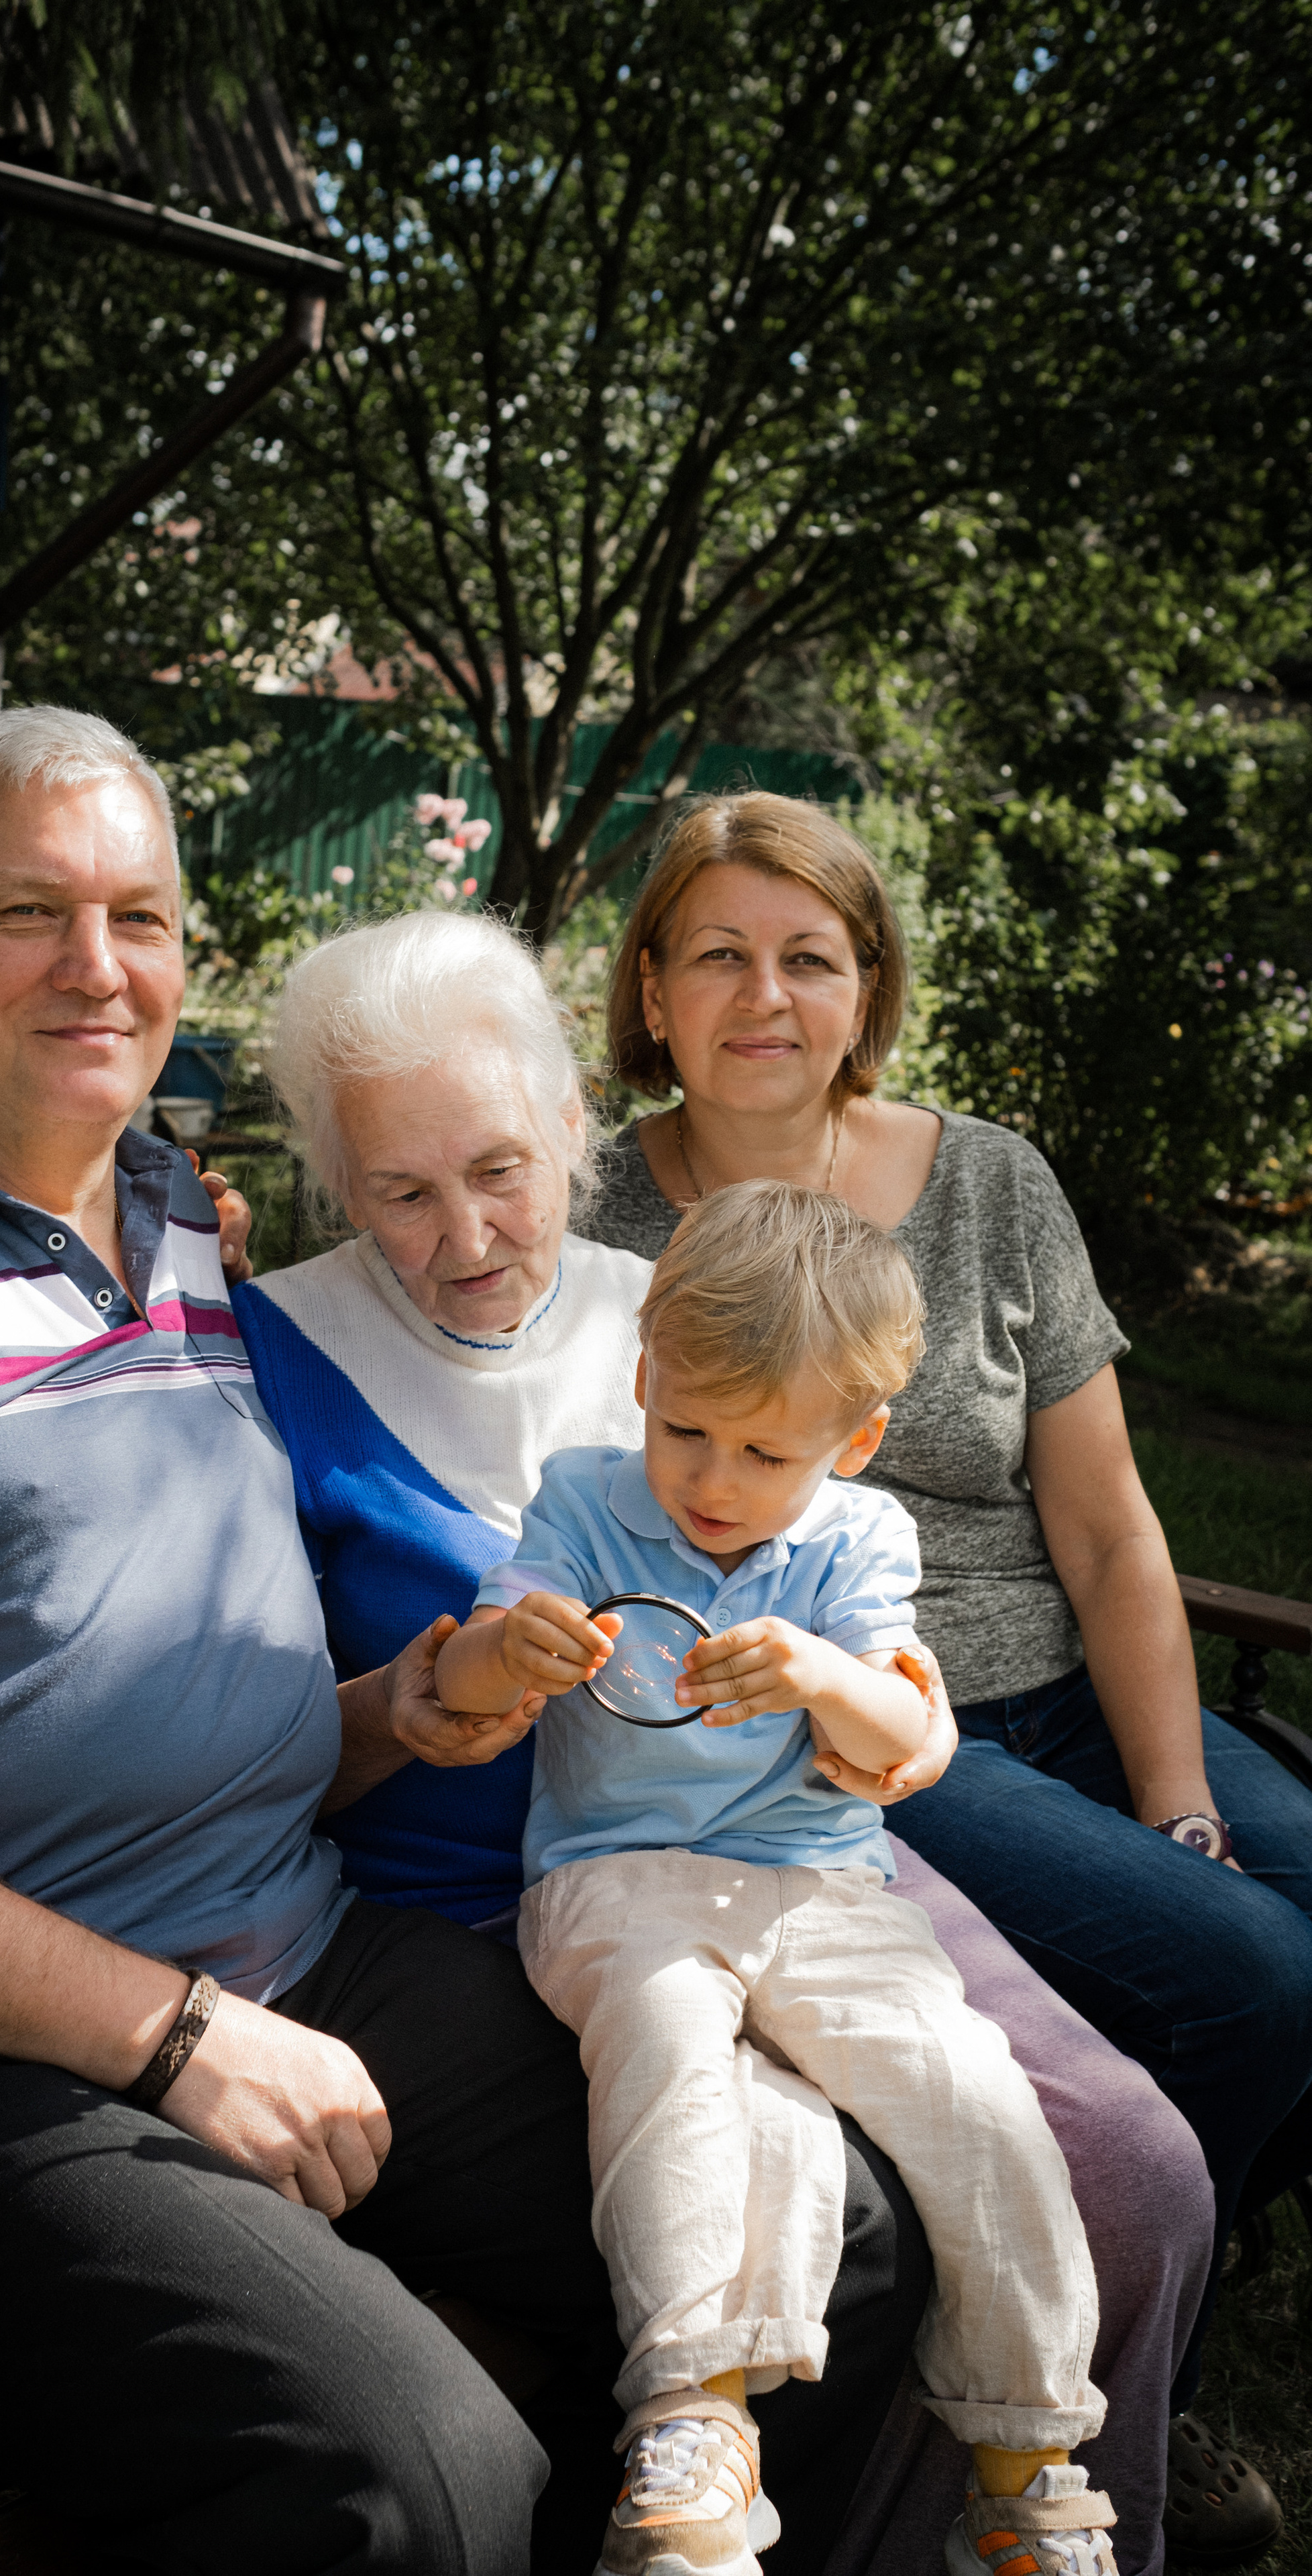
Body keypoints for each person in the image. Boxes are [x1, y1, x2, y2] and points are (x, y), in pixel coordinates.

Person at [0, 704, 657, 2576]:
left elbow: (116, 1680)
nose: (101, 967)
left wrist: (391, 1710)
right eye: (31, 913)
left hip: (283, 1953)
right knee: (416, 2477)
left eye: (144, 917)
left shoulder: (172, 1224)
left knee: (806, 2233)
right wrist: (171, 2039)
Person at [233, 907, 1215, 2576]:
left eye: (500, 1166)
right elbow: (261, 1734)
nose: (466, 1232)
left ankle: (1043, 2505)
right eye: (399, 1191)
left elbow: (888, 1689)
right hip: (543, 1895)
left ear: (571, 1131)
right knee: (813, 2193)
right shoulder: (266, 1352)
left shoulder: (699, 1305)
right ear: (337, 1189)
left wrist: (866, 1729)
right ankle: (758, 2503)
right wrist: (435, 1694)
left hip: (809, 1848)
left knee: (1132, 2168)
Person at [582, 787, 1308, 2561]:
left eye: (811, 957)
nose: (768, 994)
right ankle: (1084, 2414)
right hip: (859, 1737)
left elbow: (1117, 1532)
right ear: (653, 991)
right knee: (1257, 1977)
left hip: (1054, 1689)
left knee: (1276, 1881)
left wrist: (1179, 1797)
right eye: (722, 956)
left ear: (869, 986)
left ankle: (1131, 2348)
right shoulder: (596, 1209)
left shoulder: (989, 1182)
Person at [439, 1181, 1116, 2576]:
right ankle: (688, 2412)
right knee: (678, 2064)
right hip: (614, 1883)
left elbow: (913, 1739)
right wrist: (508, 1653)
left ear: (851, 1441)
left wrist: (819, 1676)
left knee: (967, 2093)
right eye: (681, 1427)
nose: (710, 1479)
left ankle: (1025, 2455)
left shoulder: (857, 1543)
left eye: (761, 1451)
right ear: (641, 1377)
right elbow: (470, 1655)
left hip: (816, 1889)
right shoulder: (580, 1502)